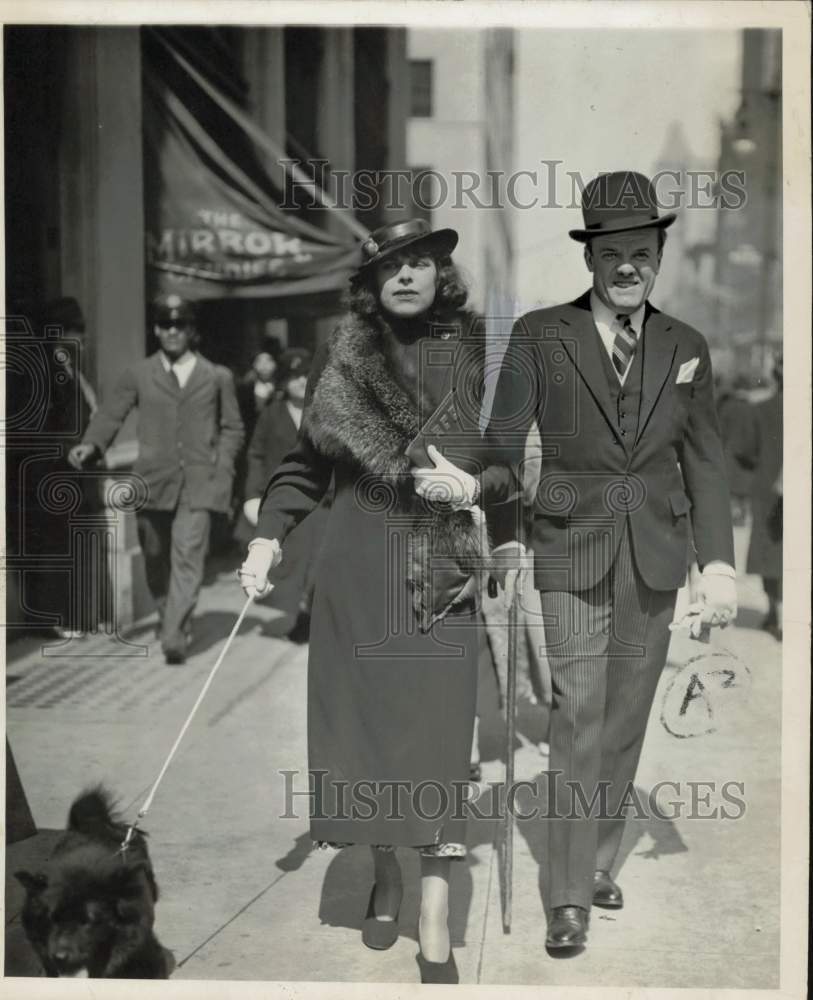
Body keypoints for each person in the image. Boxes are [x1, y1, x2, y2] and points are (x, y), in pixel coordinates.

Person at [482, 172, 737, 951]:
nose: (628, 267)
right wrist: (502, 533)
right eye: (613, 253)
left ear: (657, 256)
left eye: (641, 252)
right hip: (568, 548)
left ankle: (593, 859)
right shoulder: (538, 334)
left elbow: (707, 462)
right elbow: (499, 444)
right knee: (577, 712)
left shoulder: (684, 347)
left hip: (655, 559)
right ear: (590, 258)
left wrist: (718, 564)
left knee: (624, 722)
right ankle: (566, 899)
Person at [238, 219, 490, 984]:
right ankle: (385, 873)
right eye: (391, 265)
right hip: (354, 578)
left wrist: (476, 485)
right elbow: (302, 467)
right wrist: (267, 536)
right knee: (371, 744)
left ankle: (436, 914)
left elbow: (512, 462)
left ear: (439, 274)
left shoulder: (471, 356)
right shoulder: (341, 357)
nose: (407, 275)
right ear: (371, 282)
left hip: (440, 577)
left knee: (441, 748)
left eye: (420, 262)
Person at [69, 293, 244, 664]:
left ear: (192, 330)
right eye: (166, 324)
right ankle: (171, 618)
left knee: (188, 556)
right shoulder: (139, 374)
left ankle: (174, 635)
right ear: (156, 329)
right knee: (154, 555)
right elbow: (111, 414)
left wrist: (222, 469)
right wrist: (91, 444)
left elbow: (233, 428)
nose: (173, 332)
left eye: (180, 325)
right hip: (151, 483)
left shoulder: (216, 376)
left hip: (199, 484)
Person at [242, 348, 327, 640]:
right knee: (293, 563)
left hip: (322, 500)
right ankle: (300, 610)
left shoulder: (324, 411)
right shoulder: (271, 414)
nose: (301, 381)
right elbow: (255, 454)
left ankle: (308, 612)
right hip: (285, 499)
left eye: (305, 375)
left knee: (318, 561)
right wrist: (253, 494)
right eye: (293, 376)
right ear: (283, 381)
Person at [745, 351, 783, 639]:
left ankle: (775, 612)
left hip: (767, 489)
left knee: (769, 553)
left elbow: (746, 451)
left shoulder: (760, 409)